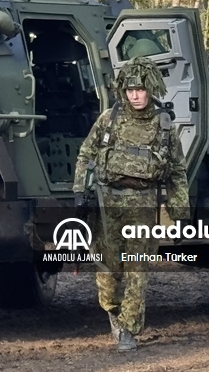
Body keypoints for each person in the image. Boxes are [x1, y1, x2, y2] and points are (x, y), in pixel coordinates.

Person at [74, 56, 189, 352]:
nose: (135, 95)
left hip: (143, 205)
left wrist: (179, 214)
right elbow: (86, 153)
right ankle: (113, 311)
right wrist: (79, 191)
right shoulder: (108, 120)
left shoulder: (163, 125)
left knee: (137, 270)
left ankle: (129, 328)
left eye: (140, 89)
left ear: (150, 89)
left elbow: (177, 171)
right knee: (108, 271)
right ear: (122, 91)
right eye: (130, 90)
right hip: (108, 203)